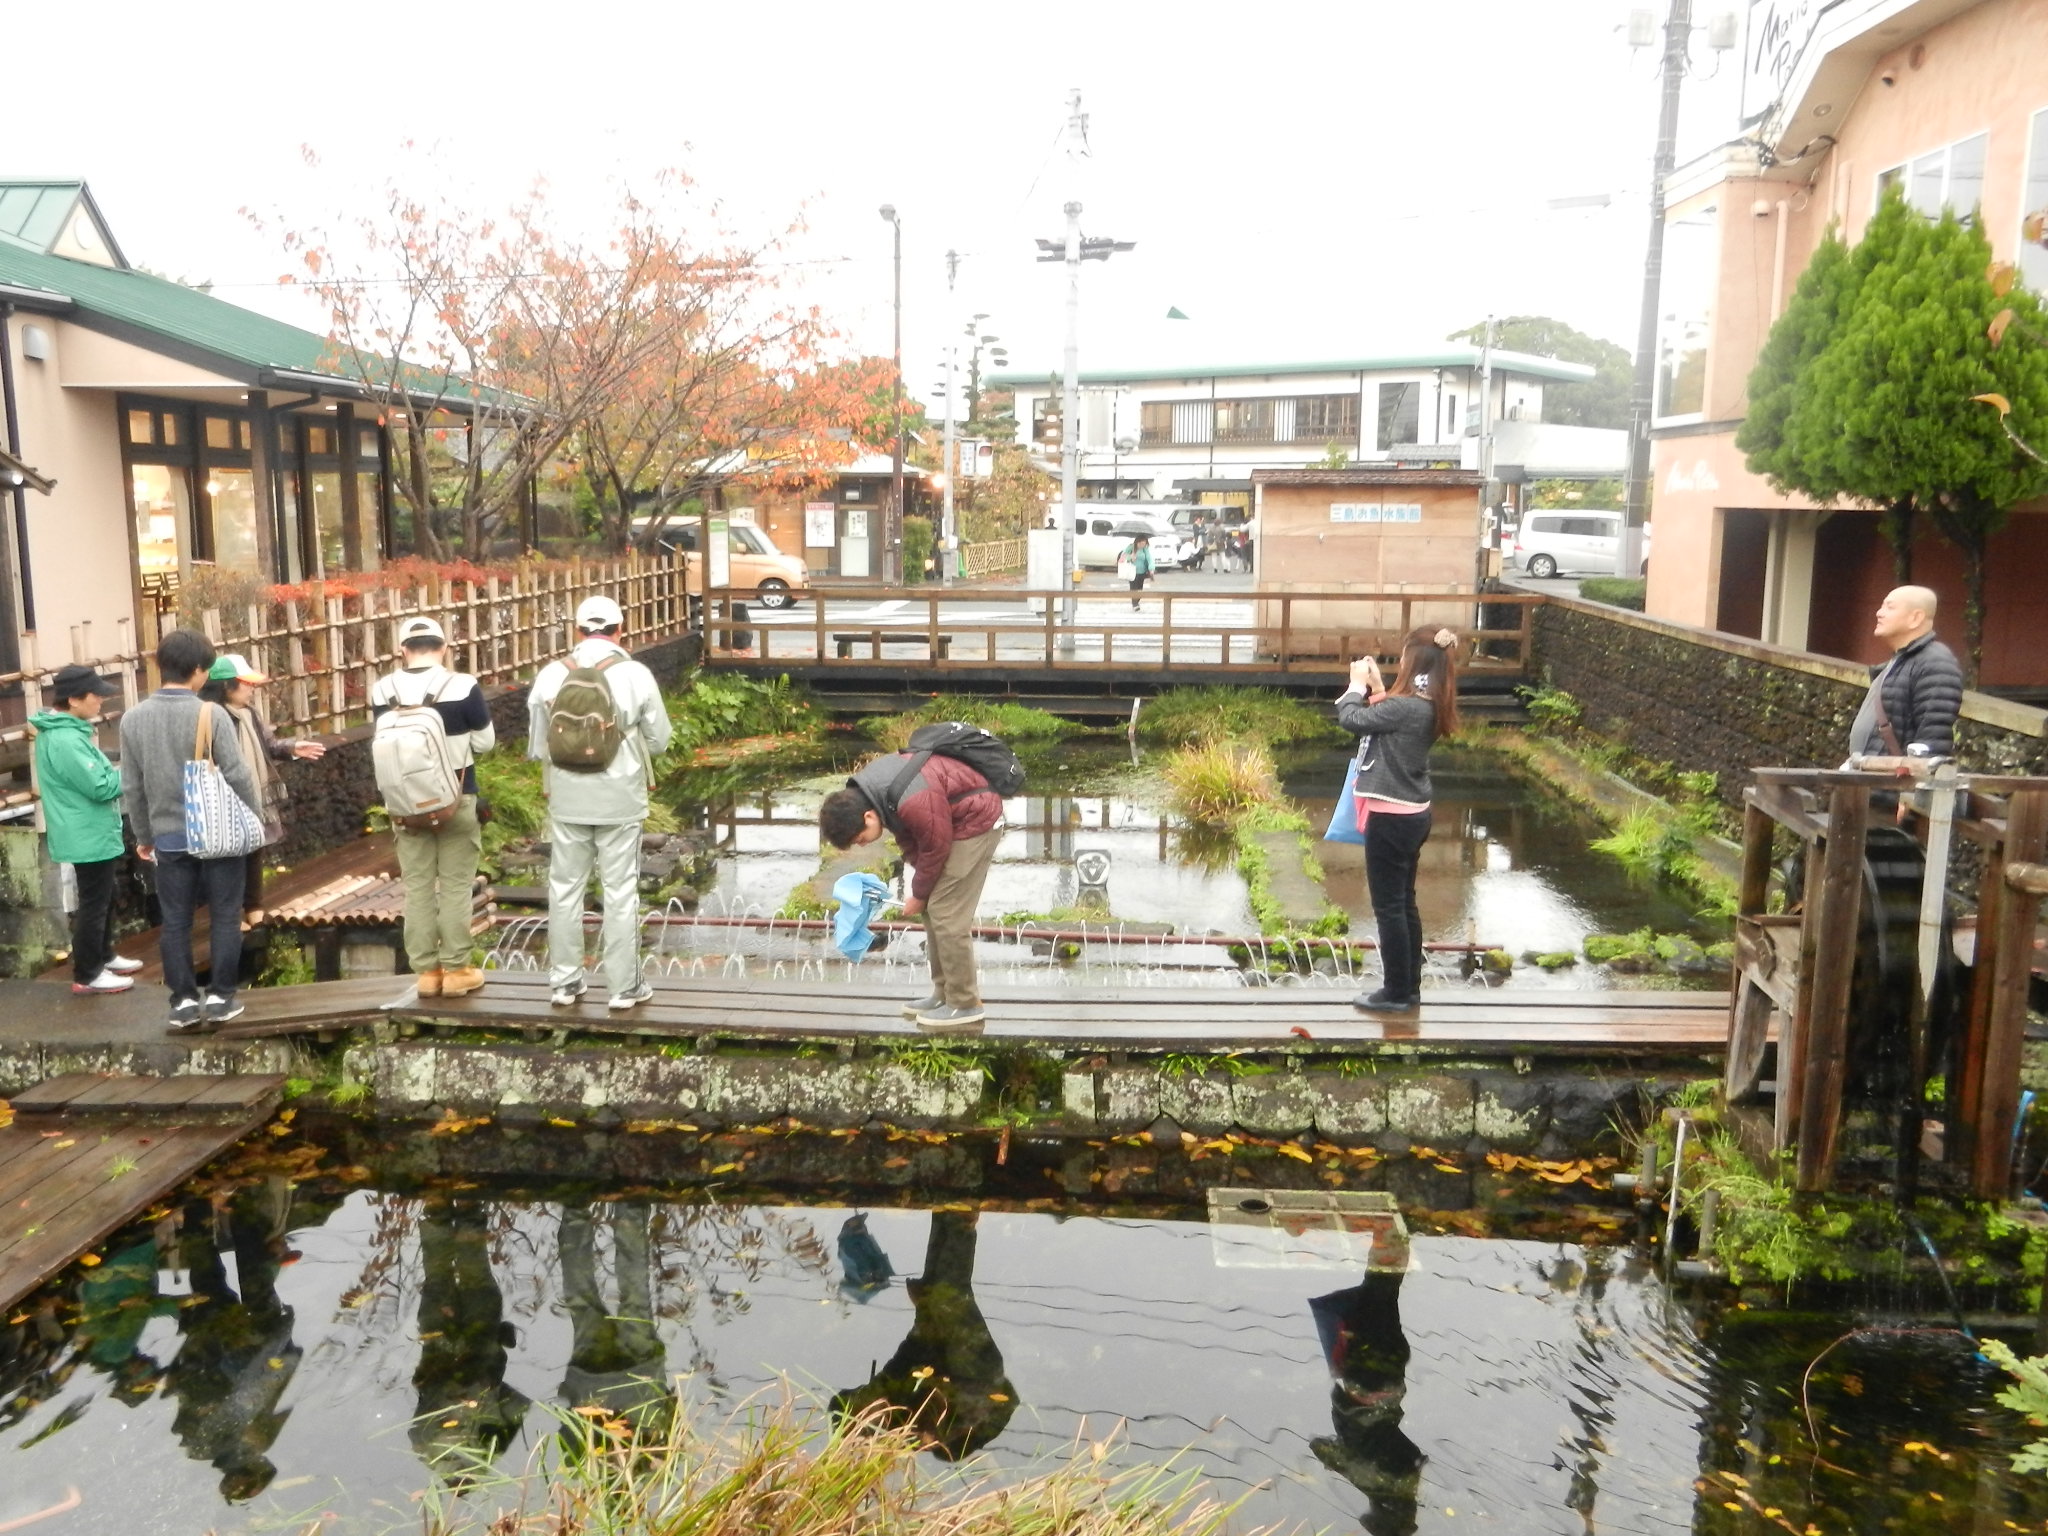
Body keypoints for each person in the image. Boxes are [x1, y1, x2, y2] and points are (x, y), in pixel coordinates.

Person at [528, 595, 673, 1010]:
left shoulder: (551, 675)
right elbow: (660, 740)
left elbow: (539, 746)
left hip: (568, 797)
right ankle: (624, 988)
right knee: (621, 890)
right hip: (621, 799)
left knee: (564, 888)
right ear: (620, 630)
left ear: (577, 631)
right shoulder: (635, 674)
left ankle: (565, 983)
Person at [120, 628, 262, 1032]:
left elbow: (132, 786)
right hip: (217, 834)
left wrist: (144, 836)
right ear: (198, 671)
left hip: (168, 836)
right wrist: (251, 820)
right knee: (224, 916)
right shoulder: (210, 714)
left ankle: (182, 1003)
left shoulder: (133, 719)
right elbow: (237, 774)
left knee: (176, 921)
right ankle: (220, 998)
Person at [817, 746, 1003, 1033]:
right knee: (933, 906)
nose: (861, 844)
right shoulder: (874, 793)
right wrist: (921, 892)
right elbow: (908, 836)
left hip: (976, 821)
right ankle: (945, 994)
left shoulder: (910, 798)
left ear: (868, 817)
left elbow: (935, 845)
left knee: (946, 913)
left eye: (859, 839)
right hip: (949, 821)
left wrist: (918, 893)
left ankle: (965, 1004)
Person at [1336, 626, 1460, 1016]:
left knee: (1389, 907)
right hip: (1413, 814)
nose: (1401, 661)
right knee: (1404, 903)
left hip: (1390, 818)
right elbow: (1389, 716)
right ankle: (1409, 989)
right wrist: (1377, 687)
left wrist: (1357, 686)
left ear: (1415, 661)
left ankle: (1394, 993)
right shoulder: (1429, 703)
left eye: (1405, 655)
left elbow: (1352, 719)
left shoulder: (1408, 707)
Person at [371, 617, 495, 999]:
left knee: (419, 888)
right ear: (443, 648)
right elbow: (486, 743)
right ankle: (457, 970)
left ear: (403, 651)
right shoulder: (462, 686)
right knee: (456, 886)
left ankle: (426, 973)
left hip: (405, 805)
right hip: (456, 799)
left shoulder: (383, 689)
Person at [32, 663, 142, 996]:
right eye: (96, 696)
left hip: (87, 830)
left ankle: (103, 956)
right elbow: (102, 786)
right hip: (85, 833)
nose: (101, 702)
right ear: (75, 699)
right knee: (94, 902)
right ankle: (88, 972)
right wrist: (132, 773)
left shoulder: (67, 732)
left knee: (104, 897)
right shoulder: (66, 739)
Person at [199, 654, 325, 926]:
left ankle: (253, 906)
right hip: (222, 797)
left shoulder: (249, 714)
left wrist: (293, 748)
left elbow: (269, 745)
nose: (252, 688)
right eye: (246, 683)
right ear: (226, 686)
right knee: (229, 856)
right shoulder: (209, 716)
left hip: (252, 792)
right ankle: (230, 915)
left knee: (254, 847)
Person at [1846, 584, 1964, 762]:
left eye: (1890, 607)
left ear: (1915, 618)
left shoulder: (1935, 663)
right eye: (1881, 606)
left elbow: (1932, 743)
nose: (1879, 612)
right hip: (1873, 780)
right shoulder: (1901, 661)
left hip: (1892, 784)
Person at [1120, 532, 1155, 610]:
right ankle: (1135, 604)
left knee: (1140, 590)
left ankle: (1136, 602)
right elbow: (1122, 558)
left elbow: (1149, 559)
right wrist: (1130, 557)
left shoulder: (1145, 549)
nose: (1142, 545)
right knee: (1133, 589)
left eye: (1144, 544)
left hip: (1141, 573)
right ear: (1137, 542)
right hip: (1132, 572)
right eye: (1141, 544)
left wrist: (1151, 569)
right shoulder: (1131, 547)